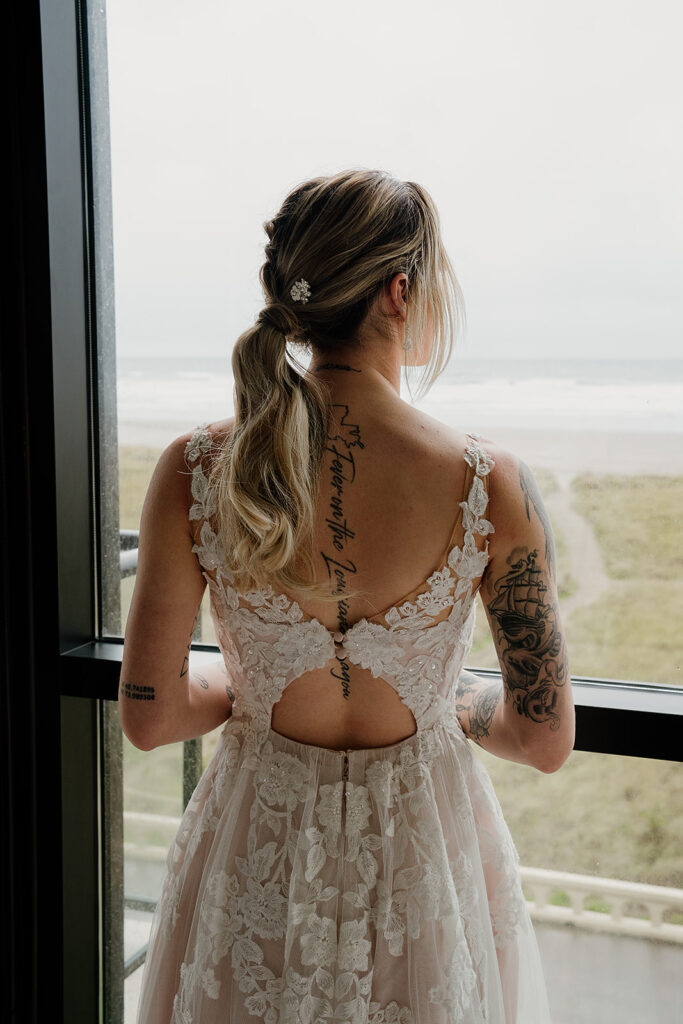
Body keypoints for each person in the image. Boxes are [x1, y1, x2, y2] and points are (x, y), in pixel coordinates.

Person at [120, 168, 574, 1024]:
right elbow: (542, 738)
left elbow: (151, 718)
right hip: (424, 856)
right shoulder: (489, 482)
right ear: (399, 292)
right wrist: (449, 698)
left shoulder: (195, 468)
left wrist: (241, 688)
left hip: (254, 844)